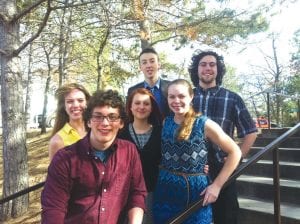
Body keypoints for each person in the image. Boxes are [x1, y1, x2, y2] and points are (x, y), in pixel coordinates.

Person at [41, 89, 147, 224]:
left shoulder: (129, 151)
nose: (105, 123)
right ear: (89, 121)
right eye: (98, 116)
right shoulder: (65, 159)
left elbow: (137, 192)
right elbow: (53, 209)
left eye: (112, 117)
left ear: (121, 123)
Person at [152, 79, 242, 224]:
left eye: (181, 96)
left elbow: (235, 152)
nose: (176, 101)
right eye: (172, 96)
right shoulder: (165, 122)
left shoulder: (204, 124)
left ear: (191, 97)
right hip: (165, 191)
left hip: (195, 193)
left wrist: (217, 185)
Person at [189, 50, 258, 224]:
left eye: (212, 64)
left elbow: (251, 131)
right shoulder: (186, 98)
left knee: (226, 217)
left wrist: (238, 156)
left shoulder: (232, 98)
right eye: (203, 64)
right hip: (192, 170)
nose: (207, 68)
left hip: (222, 169)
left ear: (218, 69)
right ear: (196, 69)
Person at [119, 88, 162, 224]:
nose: (141, 107)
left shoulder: (161, 132)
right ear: (130, 107)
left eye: (146, 103)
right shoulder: (120, 133)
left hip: (153, 193)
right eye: (137, 103)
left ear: (151, 108)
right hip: (124, 194)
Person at [49, 83, 91, 160]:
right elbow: (55, 171)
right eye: (70, 101)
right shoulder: (57, 141)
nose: (75, 105)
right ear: (64, 106)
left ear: (87, 103)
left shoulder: (96, 129)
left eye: (80, 100)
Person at [127, 47, 170, 117]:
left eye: (152, 61)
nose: (149, 65)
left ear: (159, 65)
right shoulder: (132, 91)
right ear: (140, 67)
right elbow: (129, 115)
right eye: (144, 62)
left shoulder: (170, 87)